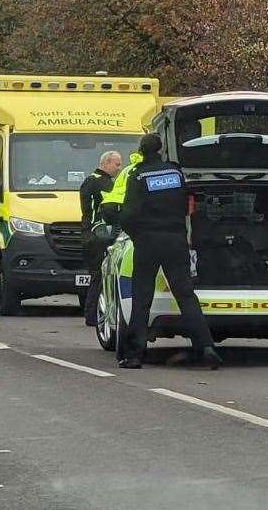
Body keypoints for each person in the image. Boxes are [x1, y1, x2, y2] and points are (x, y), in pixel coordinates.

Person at [118, 133, 220, 370]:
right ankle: (206, 347)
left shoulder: (138, 175)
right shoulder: (175, 173)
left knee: (142, 298)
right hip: (175, 240)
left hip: (148, 241)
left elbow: (129, 214)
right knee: (185, 295)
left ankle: (134, 355)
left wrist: (136, 234)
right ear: (161, 149)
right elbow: (186, 204)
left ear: (141, 152)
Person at [79, 150, 122, 327]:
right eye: (117, 164)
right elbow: (93, 211)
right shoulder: (95, 181)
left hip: (99, 234)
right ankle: (92, 315)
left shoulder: (106, 181)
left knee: (101, 275)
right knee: (99, 275)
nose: (119, 168)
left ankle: (95, 313)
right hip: (97, 236)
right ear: (106, 163)